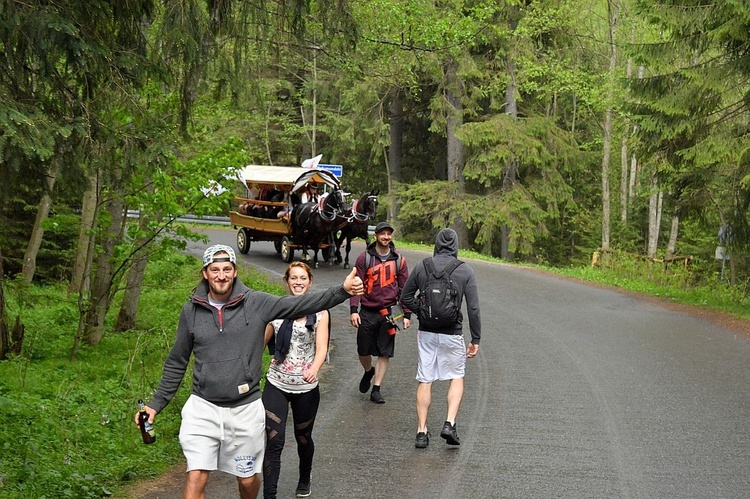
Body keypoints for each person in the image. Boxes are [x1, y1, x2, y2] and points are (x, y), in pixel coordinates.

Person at [133, 244, 363, 499]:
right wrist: (155, 405)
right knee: (196, 474)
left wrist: (342, 291)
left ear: (235, 272)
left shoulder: (256, 303)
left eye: (227, 269)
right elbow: (177, 361)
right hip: (203, 407)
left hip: (245, 409)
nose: (221, 275)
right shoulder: (191, 311)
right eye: (215, 269)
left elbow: (301, 305)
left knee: (247, 480)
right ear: (205, 273)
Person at [401, 228, 481, 449]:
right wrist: (476, 338)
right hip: (452, 332)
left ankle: (421, 431)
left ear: (436, 244)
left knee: (425, 378)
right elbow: (473, 308)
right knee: (456, 376)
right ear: (456, 245)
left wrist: (422, 311)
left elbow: (405, 296)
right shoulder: (464, 270)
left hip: (426, 332)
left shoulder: (422, 266)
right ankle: (449, 423)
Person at [262, 262, 328, 498]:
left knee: (303, 438)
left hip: (306, 387)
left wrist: (315, 368)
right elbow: (260, 343)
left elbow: (322, 347)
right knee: (273, 442)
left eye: (303, 278)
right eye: (293, 278)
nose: (298, 282)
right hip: (276, 384)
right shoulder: (276, 310)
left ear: (309, 282)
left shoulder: (321, 312)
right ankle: (270, 495)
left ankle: (304, 475)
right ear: (287, 281)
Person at [350, 221, 411, 404]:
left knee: (385, 352)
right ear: (375, 236)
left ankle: (376, 389)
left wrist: (406, 315)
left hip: (389, 313)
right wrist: (354, 310)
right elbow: (356, 284)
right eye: (382, 233)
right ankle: (369, 371)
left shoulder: (399, 260)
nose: (386, 237)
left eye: (389, 234)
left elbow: (405, 289)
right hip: (367, 311)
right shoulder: (364, 258)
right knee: (363, 349)